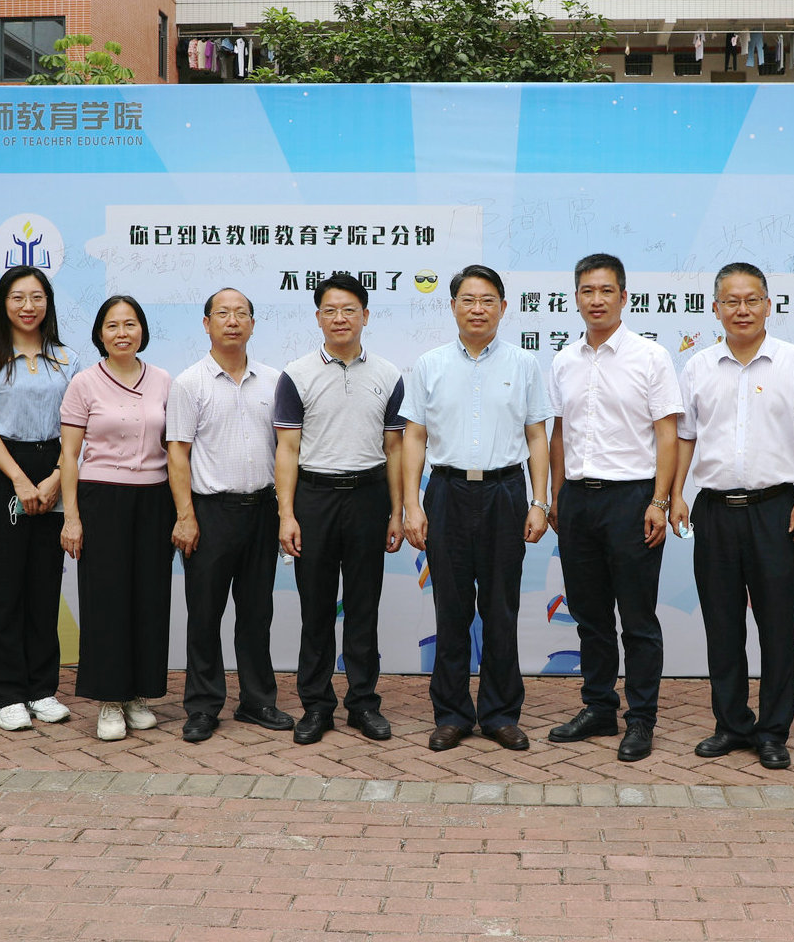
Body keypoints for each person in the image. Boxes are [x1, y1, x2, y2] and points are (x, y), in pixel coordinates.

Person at [670, 262, 794, 771]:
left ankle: (774, 731)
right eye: (731, 301)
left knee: (777, 626)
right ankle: (731, 724)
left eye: (752, 299)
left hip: (775, 510)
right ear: (715, 308)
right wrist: (675, 494)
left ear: (768, 305)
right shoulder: (698, 366)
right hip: (714, 511)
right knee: (722, 624)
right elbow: (685, 437)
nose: (742, 309)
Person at [401, 265, 552, 753]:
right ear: (453, 307)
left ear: (503, 308)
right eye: (468, 300)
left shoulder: (524, 364)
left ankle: (500, 714)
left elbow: (536, 436)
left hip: (505, 492)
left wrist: (539, 501)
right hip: (445, 492)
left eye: (488, 300)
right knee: (451, 608)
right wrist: (411, 504)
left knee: (501, 609)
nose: (478, 309)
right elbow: (414, 437)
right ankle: (451, 714)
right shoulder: (429, 364)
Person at [549, 253, 682, 764]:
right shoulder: (564, 360)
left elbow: (667, 434)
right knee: (590, 616)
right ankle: (599, 707)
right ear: (576, 298)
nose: (596, 300)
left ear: (624, 297)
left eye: (606, 290)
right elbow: (559, 432)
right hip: (577, 501)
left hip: (633, 499)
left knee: (638, 618)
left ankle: (641, 719)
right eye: (587, 291)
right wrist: (557, 494)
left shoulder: (650, 357)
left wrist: (659, 500)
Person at [274, 273, 405, 745]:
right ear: (318, 318)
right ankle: (316, 705)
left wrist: (396, 512)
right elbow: (287, 449)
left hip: (369, 496)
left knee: (364, 607)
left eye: (349, 309)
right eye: (330, 310)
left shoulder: (388, 375)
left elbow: (395, 449)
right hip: (315, 498)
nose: (340, 318)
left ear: (365, 315)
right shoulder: (297, 374)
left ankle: (364, 703)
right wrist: (286, 514)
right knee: (316, 609)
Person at [166, 288, 291, 743]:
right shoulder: (189, 383)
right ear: (207, 324)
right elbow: (177, 454)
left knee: (257, 613)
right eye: (223, 313)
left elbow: (287, 450)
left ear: (253, 324)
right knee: (204, 614)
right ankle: (202, 706)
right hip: (209, 513)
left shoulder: (274, 382)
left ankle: (257, 701)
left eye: (241, 313)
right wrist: (185, 516)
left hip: (261, 509)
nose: (232, 321)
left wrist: (285, 512)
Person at [59, 296, 174, 739]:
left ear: (142, 329)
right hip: (102, 499)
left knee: (149, 598)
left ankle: (137, 694)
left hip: (154, 500)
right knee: (106, 599)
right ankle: (109, 699)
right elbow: (69, 456)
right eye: (112, 325)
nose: (122, 332)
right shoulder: (84, 383)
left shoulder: (163, 380)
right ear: (99, 334)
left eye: (130, 324)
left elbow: (175, 448)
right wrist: (72, 517)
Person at [0, 265, 75, 732]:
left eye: (36, 297)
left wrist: (55, 479)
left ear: (48, 303)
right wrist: (19, 479)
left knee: (44, 585)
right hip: (4, 472)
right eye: (18, 298)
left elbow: (78, 428)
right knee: (4, 586)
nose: (28, 307)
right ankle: (7, 692)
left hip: (56, 468)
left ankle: (42, 688)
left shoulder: (67, 359)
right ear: (3, 303)